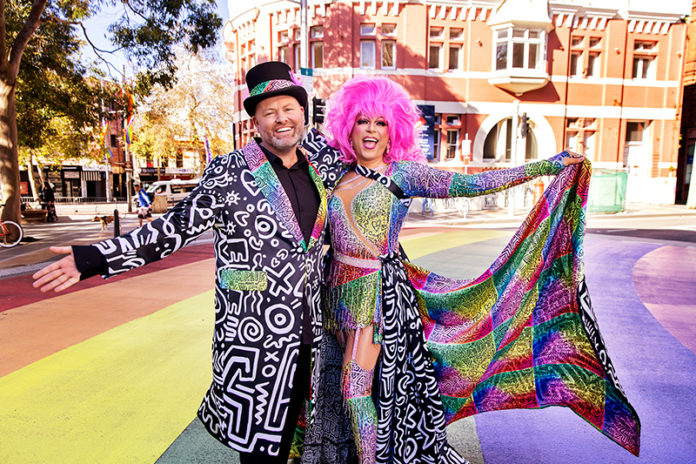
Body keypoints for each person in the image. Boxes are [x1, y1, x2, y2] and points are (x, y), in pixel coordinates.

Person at [32, 61, 349, 464]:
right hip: (254, 339)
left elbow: (366, 176)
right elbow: (172, 229)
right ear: (255, 121)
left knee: (303, 443)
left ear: (304, 113)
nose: (281, 119)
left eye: (289, 108)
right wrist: (94, 257)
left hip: (312, 332)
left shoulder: (322, 167)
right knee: (259, 451)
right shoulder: (229, 172)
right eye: (269, 112)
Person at [316, 76, 636, 464]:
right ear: (347, 123)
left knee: (354, 388)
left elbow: (473, 184)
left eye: (380, 122)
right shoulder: (336, 174)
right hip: (334, 296)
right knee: (333, 389)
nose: (370, 130)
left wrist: (543, 166)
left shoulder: (405, 174)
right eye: (362, 120)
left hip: (376, 297)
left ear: (393, 129)